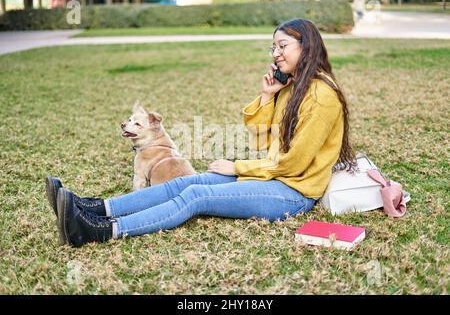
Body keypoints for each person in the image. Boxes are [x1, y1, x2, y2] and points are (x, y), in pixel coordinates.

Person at [46, 18, 357, 247]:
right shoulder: (292, 88)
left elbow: (295, 163)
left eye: (283, 46)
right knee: (185, 182)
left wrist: (235, 168)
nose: (275, 53)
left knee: (196, 195)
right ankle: (93, 208)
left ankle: (98, 231)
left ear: (308, 45)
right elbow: (265, 143)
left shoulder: (321, 96)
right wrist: (267, 97)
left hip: (294, 192)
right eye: (272, 46)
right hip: (273, 177)